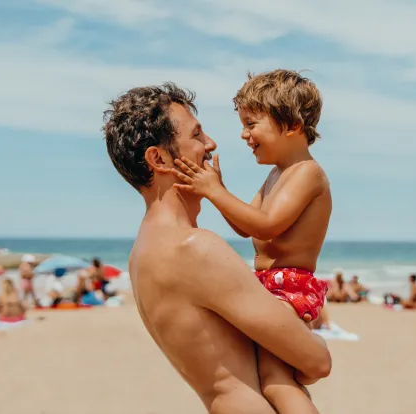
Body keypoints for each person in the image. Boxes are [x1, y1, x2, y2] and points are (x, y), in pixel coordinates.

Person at [103, 82, 332, 414]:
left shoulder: (142, 253)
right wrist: (319, 342)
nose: (211, 144)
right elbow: (317, 362)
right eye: (197, 136)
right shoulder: (194, 248)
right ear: (159, 157)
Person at [171, 69, 331, 413]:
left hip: (289, 289)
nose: (244, 134)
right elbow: (247, 227)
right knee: (273, 378)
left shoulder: (308, 173)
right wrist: (219, 191)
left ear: (291, 125)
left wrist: (213, 192)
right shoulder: (276, 175)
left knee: (276, 381)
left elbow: (268, 225)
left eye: (252, 123)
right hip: (268, 288)